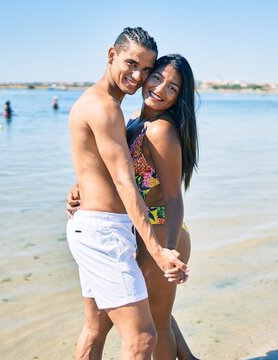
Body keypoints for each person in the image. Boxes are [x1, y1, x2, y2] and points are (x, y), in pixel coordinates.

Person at [66, 27, 189, 360]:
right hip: (105, 231)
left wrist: (165, 248)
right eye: (132, 64)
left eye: (146, 69)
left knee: (102, 329)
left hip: (119, 229)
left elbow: (125, 177)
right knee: (143, 336)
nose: (139, 77)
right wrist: (81, 187)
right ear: (111, 55)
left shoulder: (142, 122)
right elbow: (121, 180)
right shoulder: (112, 111)